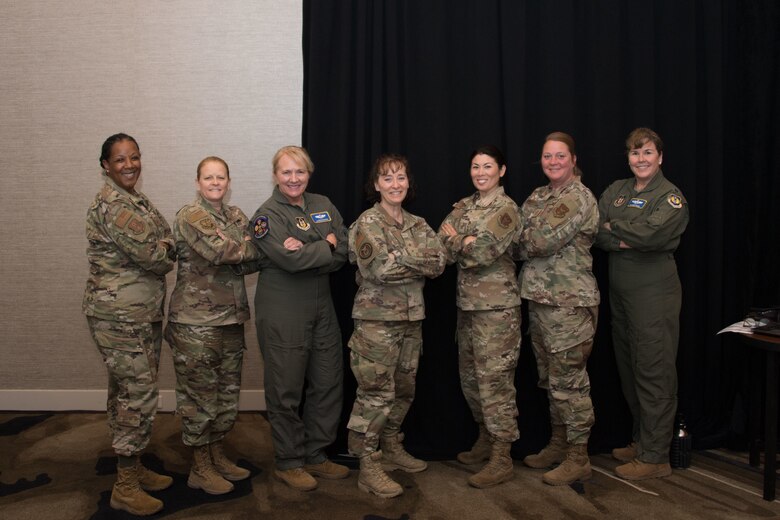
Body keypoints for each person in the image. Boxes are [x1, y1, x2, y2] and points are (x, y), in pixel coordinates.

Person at [83, 133, 175, 516]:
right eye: (120, 160)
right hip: (119, 315)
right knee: (136, 396)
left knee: (127, 391)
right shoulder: (114, 205)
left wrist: (164, 244)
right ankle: (124, 485)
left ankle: (133, 466)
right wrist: (164, 247)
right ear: (105, 164)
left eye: (134, 157)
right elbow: (158, 254)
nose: (129, 165)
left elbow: (165, 236)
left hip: (138, 314)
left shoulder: (135, 198)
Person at [248, 145, 350, 491]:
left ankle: (316, 453)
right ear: (276, 176)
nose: (294, 179)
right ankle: (289, 461)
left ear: (309, 173)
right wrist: (327, 245)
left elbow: (346, 251)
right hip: (283, 307)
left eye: (300, 172)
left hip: (322, 305)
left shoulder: (322, 204)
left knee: (327, 381)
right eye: (286, 172)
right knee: (286, 388)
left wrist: (310, 249)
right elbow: (288, 260)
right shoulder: (266, 216)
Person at [346, 154, 446, 498]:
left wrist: (400, 256)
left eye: (400, 177)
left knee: (404, 390)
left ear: (408, 182)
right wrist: (412, 259)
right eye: (387, 179)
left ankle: (390, 445)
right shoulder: (366, 223)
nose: (395, 185)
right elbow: (379, 270)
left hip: (411, 320)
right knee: (375, 395)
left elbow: (438, 263)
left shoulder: (417, 223)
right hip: (376, 323)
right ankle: (368, 465)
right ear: (376, 185)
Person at [595, 127, 689, 481]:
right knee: (629, 369)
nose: (641, 159)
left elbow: (655, 235)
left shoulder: (670, 197)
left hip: (654, 295)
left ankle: (655, 456)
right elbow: (595, 231)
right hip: (621, 296)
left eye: (647, 152)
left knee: (654, 370)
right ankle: (642, 440)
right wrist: (624, 234)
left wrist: (615, 229)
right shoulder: (617, 191)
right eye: (635, 153)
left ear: (660, 157)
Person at [165, 156, 261, 495]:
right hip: (196, 323)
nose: (215, 182)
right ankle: (199, 466)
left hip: (231, 320)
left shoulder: (234, 216)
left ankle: (216, 453)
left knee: (226, 394)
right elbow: (222, 251)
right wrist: (246, 249)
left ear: (228, 181)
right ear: (197, 182)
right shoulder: (190, 216)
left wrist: (246, 249)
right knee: (199, 396)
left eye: (221, 177)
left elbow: (255, 256)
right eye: (208, 177)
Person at [516, 132, 600, 486]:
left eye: (560, 156)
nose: (553, 162)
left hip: (569, 304)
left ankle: (579, 457)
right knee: (551, 380)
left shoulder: (577, 197)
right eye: (547, 156)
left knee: (570, 382)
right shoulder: (538, 196)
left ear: (573, 159)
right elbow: (515, 239)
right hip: (540, 301)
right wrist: (521, 237)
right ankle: (558, 444)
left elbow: (536, 240)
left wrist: (524, 236)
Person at [439, 145, 522, 488]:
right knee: (471, 380)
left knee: (495, 383)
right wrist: (465, 241)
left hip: (497, 310)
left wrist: (458, 240)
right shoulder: (463, 206)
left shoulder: (506, 209)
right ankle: (485, 438)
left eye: (488, 166)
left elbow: (485, 253)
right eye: (475, 166)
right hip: (467, 307)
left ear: (501, 170)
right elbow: (439, 244)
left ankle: (502, 455)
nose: (480, 172)